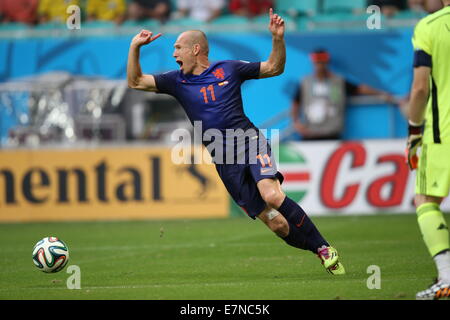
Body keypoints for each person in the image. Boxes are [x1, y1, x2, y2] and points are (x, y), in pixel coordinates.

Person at [127, 8, 345, 275]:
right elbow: (136, 81)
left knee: (272, 194)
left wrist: (278, 39)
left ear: (196, 49)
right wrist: (135, 47)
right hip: (223, 158)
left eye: (178, 48)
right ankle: (319, 251)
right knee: (277, 225)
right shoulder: (176, 81)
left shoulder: (228, 69)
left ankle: (324, 247)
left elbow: (274, 67)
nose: (174, 54)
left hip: (248, 141)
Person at [406, 0, 450, 299]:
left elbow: (420, 89)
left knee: (425, 199)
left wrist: (413, 131)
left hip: (442, 134)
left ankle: (447, 278)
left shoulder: (429, 26)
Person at [291, 48, 397, 141]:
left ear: (327, 63)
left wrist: (381, 93)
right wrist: (296, 122)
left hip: (331, 134)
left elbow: (360, 89)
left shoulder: (338, 81)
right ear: (313, 63)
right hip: (310, 134)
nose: (320, 66)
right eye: (317, 63)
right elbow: (295, 102)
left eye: (322, 62)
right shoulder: (305, 82)